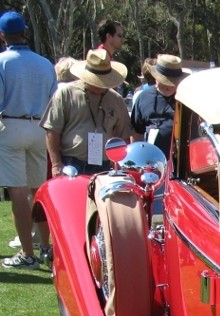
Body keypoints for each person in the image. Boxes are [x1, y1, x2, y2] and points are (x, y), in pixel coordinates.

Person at [0, 11, 57, 270]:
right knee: (39, 191)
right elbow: (54, 102)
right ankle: (46, 247)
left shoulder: (3, 61)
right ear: (25, 32)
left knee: (19, 193)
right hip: (40, 127)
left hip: (10, 123)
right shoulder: (45, 63)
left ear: (3, 36)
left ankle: (27, 253)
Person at [40, 48, 134, 176]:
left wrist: (119, 163)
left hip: (104, 165)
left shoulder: (116, 100)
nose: (100, 84)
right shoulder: (66, 93)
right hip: (71, 164)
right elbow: (52, 131)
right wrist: (56, 165)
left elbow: (123, 136)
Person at [130, 54, 188, 156]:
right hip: (152, 162)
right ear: (156, 77)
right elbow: (136, 133)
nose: (167, 86)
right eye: (164, 81)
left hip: (182, 163)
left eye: (171, 82)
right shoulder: (143, 98)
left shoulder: (187, 100)